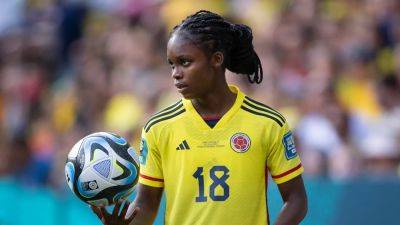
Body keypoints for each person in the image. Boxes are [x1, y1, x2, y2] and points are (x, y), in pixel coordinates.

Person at [91, 10, 307, 225]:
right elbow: (147, 202)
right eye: (172, 64)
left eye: (185, 62)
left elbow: (296, 199)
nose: (176, 73)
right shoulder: (158, 127)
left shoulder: (267, 123)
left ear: (216, 59)